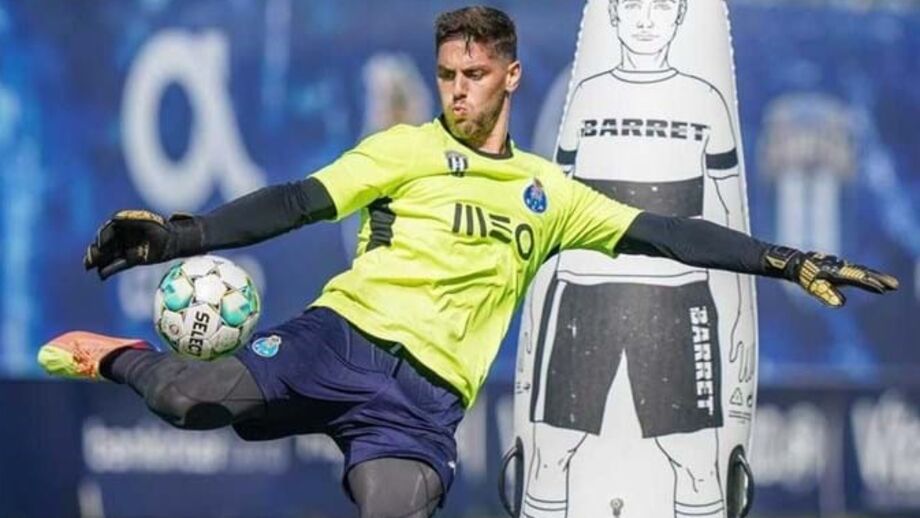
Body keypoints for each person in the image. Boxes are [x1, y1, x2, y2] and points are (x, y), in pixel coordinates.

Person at [37, 6, 897, 518]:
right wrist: (178, 239)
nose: (456, 90)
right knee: (190, 398)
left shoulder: (548, 193)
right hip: (340, 342)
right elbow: (296, 201)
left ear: (510, 77)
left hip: (420, 406)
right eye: (446, 72)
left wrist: (787, 260)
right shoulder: (406, 149)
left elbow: (669, 234)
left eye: (474, 74)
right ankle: (109, 354)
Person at [523, 1, 754, 517]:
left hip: (677, 297)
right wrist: (539, 307)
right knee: (552, 454)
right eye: (632, 7)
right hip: (584, 293)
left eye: (661, 8)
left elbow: (726, 215)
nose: (646, 20)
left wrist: (736, 314)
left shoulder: (705, 100)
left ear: (679, 18)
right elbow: (554, 214)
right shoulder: (586, 95)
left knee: (696, 461)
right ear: (613, 16)